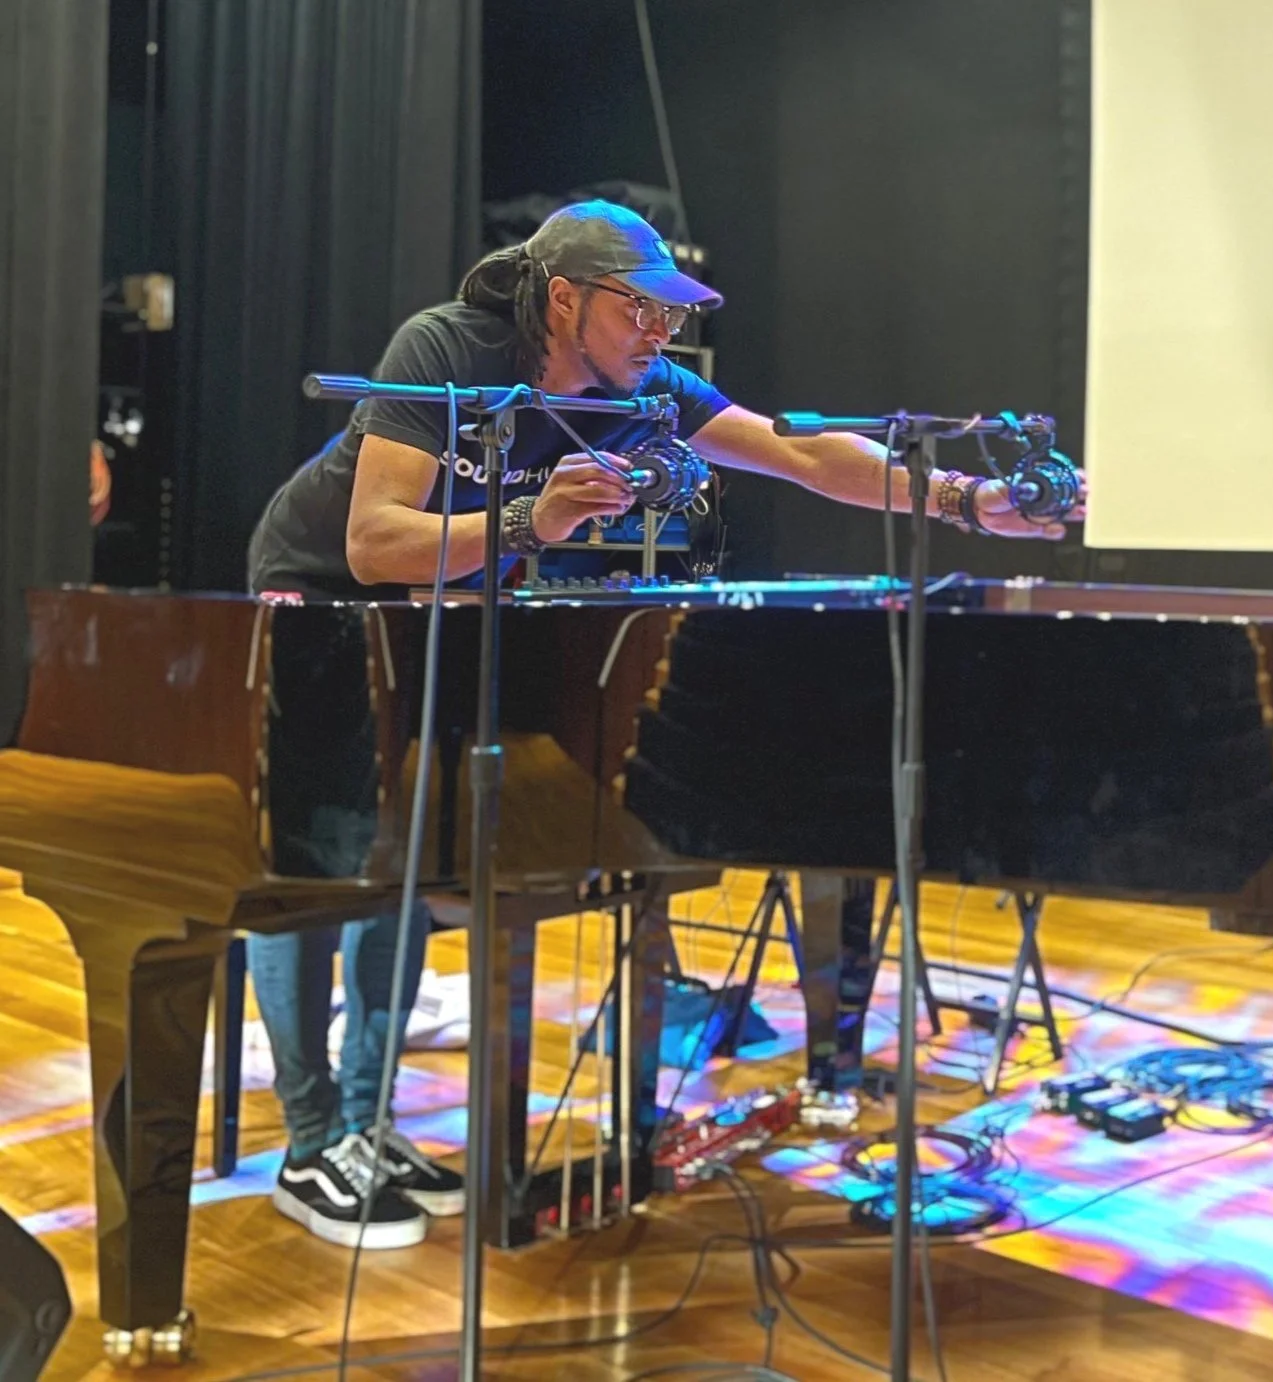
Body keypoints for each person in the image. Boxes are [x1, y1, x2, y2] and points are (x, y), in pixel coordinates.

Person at [243, 199, 1081, 1249]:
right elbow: (372, 542)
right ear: (563, 299)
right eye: (640, 309)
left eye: (672, 314)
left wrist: (962, 499)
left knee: (404, 857)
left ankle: (366, 1124)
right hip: (318, 589)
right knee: (314, 862)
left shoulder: (644, 389)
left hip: (440, 602)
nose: (662, 332)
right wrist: (531, 517)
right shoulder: (449, 349)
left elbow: (803, 455)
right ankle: (310, 1141)